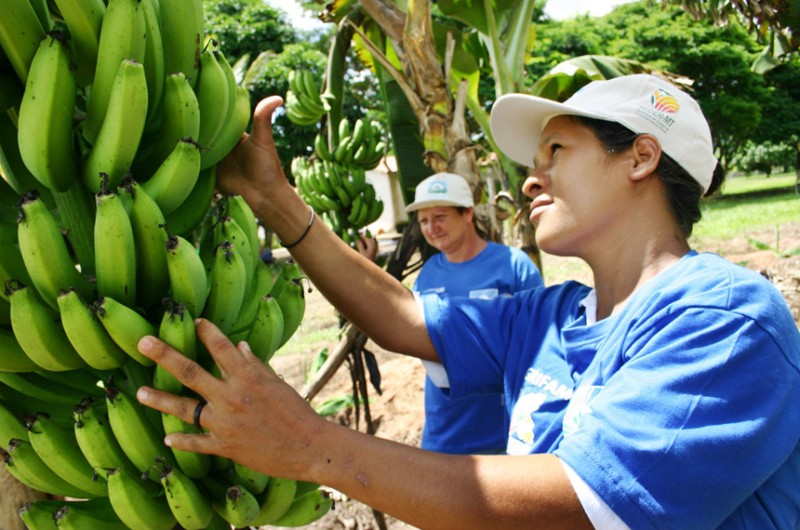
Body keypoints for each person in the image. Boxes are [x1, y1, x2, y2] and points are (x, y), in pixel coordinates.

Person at [136, 74, 800, 529]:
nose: (531, 178)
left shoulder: (721, 318)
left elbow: (581, 507)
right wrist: (274, 201)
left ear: (640, 158)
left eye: (557, 150)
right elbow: (401, 316)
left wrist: (310, 446)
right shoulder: (549, 314)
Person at [404, 172, 542, 454]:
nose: (432, 228)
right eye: (424, 221)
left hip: (505, 428)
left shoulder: (514, 265)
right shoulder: (427, 274)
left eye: (440, 217)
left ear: (467, 213)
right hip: (445, 427)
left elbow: (537, 344)